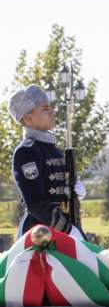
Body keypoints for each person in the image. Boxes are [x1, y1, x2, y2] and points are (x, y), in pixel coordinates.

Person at [9, 85, 85, 240]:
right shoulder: (27, 151)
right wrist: (67, 229)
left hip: (64, 226)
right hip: (39, 233)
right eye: (45, 109)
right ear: (28, 118)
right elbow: (36, 204)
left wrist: (74, 191)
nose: (52, 112)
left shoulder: (53, 148)